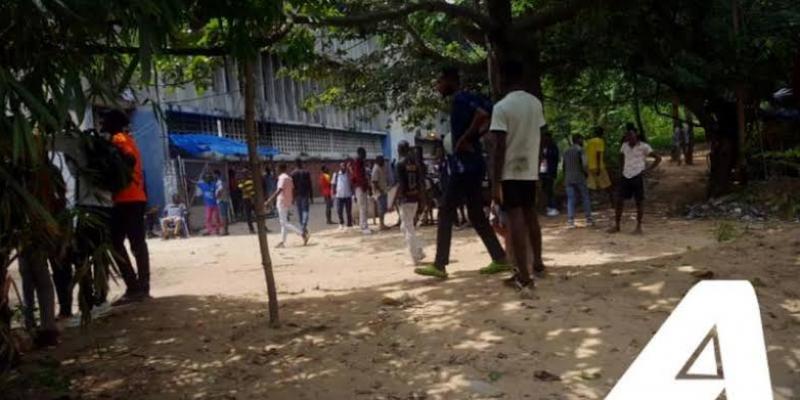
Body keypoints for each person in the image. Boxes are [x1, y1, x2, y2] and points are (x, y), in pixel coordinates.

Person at [415, 67, 509, 279]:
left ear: (450, 80)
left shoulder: (459, 99)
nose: (437, 86)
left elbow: (482, 116)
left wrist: (465, 139)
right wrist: (475, 136)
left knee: (446, 210)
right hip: (474, 163)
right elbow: (489, 114)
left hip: (463, 165)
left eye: (439, 81)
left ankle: (440, 265)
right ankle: (500, 257)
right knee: (476, 214)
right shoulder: (472, 97)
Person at [487, 60, 546, 293]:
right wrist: (537, 166)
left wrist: (495, 181)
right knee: (531, 215)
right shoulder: (535, 104)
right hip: (529, 169)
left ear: (502, 79)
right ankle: (538, 264)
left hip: (510, 171)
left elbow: (498, 146)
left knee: (515, 220)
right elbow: (541, 137)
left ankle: (523, 275)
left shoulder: (501, 108)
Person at [105, 109, 151, 304]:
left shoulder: (119, 139)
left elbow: (130, 159)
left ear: (112, 123)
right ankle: (141, 287)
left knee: (117, 243)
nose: (101, 124)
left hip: (126, 199)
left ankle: (135, 287)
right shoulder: (129, 139)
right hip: (135, 198)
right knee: (137, 244)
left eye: (103, 120)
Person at [609, 130, 662, 234]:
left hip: (638, 175)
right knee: (619, 200)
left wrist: (648, 170)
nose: (629, 139)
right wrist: (621, 170)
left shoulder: (644, 146)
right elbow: (621, 157)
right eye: (628, 137)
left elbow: (658, 158)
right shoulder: (624, 146)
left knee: (639, 201)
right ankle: (617, 225)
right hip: (626, 175)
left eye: (631, 137)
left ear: (636, 137)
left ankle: (639, 226)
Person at [395, 141, 425, 265]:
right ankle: (418, 251)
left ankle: (414, 257)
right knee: (406, 226)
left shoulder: (399, 163)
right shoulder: (415, 163)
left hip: (406, 198)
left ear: (400, 149)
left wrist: (398, 198)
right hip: (415, 197)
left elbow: (401, 183)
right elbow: (420, 181)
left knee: (407, 227)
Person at [266, 163, 309, 247]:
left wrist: (269, 200)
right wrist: (291, 200)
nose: (276, 170)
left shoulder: (282, 178)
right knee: (284, 223)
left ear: (280, 169)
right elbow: (293, 190)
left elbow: (279, 190)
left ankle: (302, 234)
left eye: (277, 168)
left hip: (281, 202)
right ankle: (282, 242)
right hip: (287, 202)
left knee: (284, 223)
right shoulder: (289, 178)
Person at [563, 135, 594, 228]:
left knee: (571, 199)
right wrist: (586, 173)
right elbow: (584, 164)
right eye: (582, 139)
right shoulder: (581, 150)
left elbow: (564, 166)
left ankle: (570, 221)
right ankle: (588, 219)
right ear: (578, 140)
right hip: (579, 176)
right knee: (585, 197)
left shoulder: (566, 151)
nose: (583, 141)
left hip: (568, 177)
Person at [585, 127, 614, 204]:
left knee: (592, 185)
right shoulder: (600, 141)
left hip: (590, 166)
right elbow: (598, 154)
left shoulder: (589, 141)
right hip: (598, 166)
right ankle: (613, 202)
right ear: (602, 133)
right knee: (607, 184)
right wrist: (598, 167)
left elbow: (586, 154)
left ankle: (591, 202)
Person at [351, 148, 372, 235]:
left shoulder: (360, 162)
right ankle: (364, 226)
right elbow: (358, 176)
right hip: (360, 187)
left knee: (364, 207)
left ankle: (363, 224)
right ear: (360, 153)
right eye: (364, 153)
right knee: (363, 207)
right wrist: (364, 186)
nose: (365, 154)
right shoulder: (358, 162)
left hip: (362, 187)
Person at [540, 131, 560, 216]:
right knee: (545, 189)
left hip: (550, 172)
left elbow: (553, 159)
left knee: (550, 190)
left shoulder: (553, 147)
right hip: (543, 172)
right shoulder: (543, 147)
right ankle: (548, 206)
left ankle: (553, 207)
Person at [291, 159, 313, 233]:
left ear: (295, 164)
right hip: (305, 194)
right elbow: (310, 185)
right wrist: (311, 196)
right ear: (301, 163)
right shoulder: (306, 172)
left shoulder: (293, 173)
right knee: (305, 210)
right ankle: (304, 225)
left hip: (297, 195)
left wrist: (293, 197)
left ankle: (302, 227)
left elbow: (292, 187)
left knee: (300, 211)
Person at [332, 162, 354, 229]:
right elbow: (333, 184)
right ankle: (341, 223)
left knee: (348, 211)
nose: (343, 167)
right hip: (339, 196)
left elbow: (352, 182)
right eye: (342, 166)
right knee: (339, 210)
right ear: (340, 167)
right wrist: (333, 194)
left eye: (344, 166)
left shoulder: (348, 174)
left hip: (348, 195)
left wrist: (353, 193)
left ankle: (349, 223)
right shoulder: (336, 175)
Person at [371, 155, 389, 230]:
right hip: (379, 192)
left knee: (383, 208)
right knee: (381, 208)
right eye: (382, 161)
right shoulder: (376, 169)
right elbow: (374, 182)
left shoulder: (382, 167)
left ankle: (383, 223)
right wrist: (379, 190)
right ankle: (381, 224)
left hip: (383, 190)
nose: (383, 162)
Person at [214, 170, 231, 236]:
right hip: (225, 199)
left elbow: (220, 190)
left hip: (221, 200)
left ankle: (224, 231)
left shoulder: (219, 182)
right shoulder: (224, 181)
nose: (214, 176)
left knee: (223, 216)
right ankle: (226, 230)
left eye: (214, 175)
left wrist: (217, 196)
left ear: (217, 175)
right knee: (225, 216)